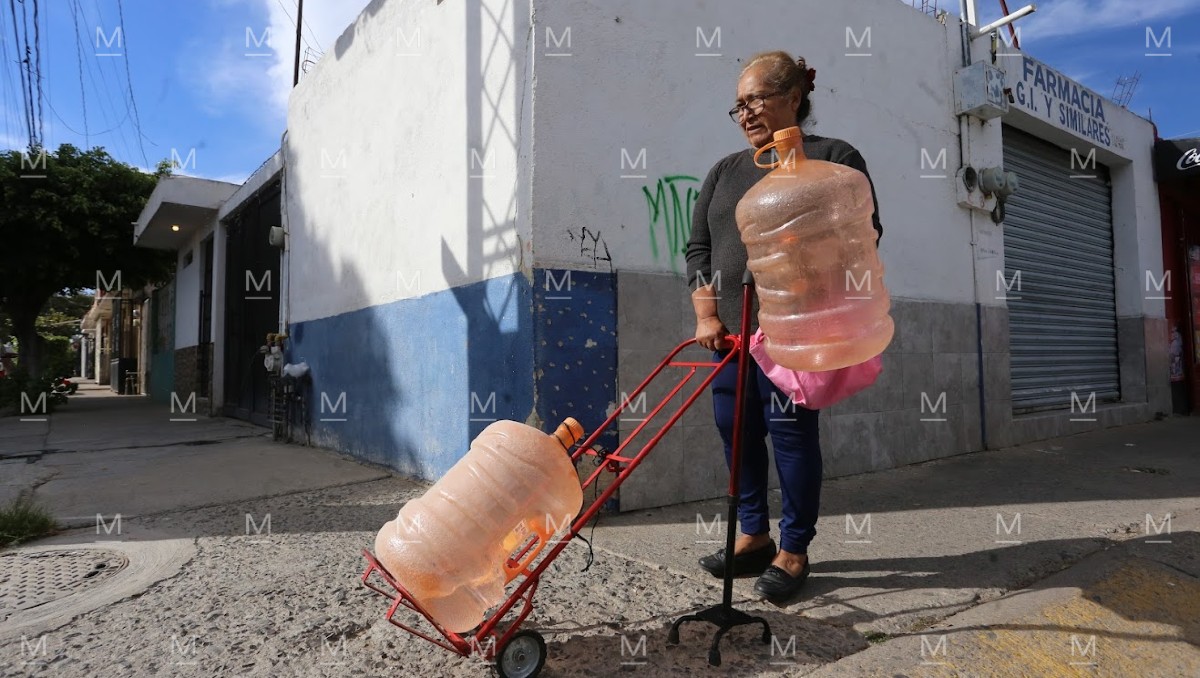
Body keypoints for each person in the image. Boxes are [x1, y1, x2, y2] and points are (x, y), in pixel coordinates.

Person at [685, 51, 883, 604]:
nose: (745, 113)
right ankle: (753, 536)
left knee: (792, 436)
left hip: (794, 333)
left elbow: (864, 234)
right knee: (735, 427)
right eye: (738, 105)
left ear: (793, 96)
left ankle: (794, 551)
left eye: (755, 99)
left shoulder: (834, 158)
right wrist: (706, 312)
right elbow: (698, 247)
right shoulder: (726, 171)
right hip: (729, 334)